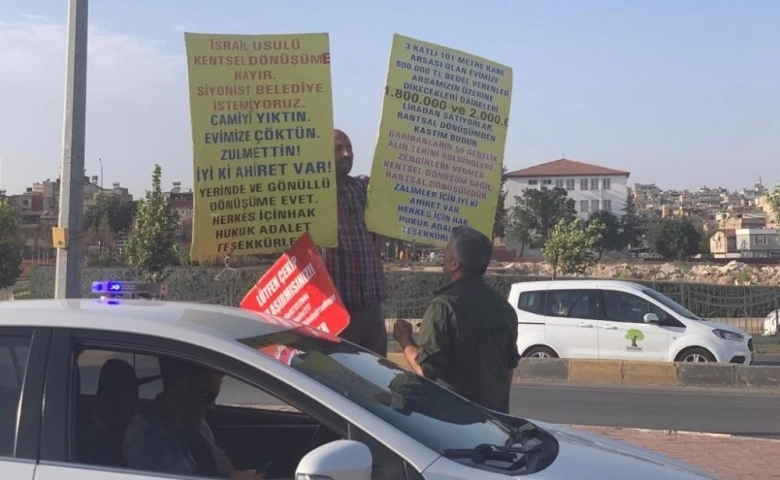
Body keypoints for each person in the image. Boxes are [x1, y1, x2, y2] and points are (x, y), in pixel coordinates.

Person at [392, 226, 520, 413]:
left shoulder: (444, 306)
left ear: (455, 264)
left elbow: (426, 371)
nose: (444, 252)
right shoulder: (503, 307)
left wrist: (404, 338)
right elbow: (509, 366)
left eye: (447, 250)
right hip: (493, 418)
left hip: (453, 419)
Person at [123, 357, 263, 479]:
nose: (212, 406)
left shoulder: (196, 424)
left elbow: (220, 461)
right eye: (208, 397)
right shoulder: (147, 437)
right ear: (182, 388)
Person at [323, 129, 388, 356]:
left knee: (377, 378)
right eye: (338, 149)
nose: (347, 154)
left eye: (349, 148)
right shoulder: (315, 196)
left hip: (372, 305)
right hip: (338, 308)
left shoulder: (362, 189)